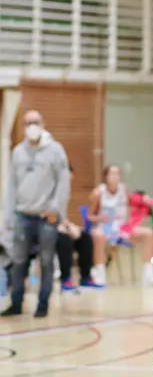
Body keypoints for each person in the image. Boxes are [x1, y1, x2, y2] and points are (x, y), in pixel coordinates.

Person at [1, 110, 70, 318]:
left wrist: (56, 210)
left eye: (35, 122)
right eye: (27, 122)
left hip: (46, 217)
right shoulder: (18, 152)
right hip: (23, 215)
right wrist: (8, 217)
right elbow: (11, 186)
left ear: (43, 123)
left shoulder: (55, 150)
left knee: (46, 262)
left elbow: (63, 183)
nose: (32, 125)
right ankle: (16, 303)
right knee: (18, 261)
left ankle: (42, 305)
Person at [87, 165, 153, 287]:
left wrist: (143, 199)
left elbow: (133, 201)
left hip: (122, 229)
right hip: (104, 228)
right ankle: (100, 273)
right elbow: (89, 216)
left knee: (148, 234)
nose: (115, 177)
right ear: (105, 176)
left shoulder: (123, 190)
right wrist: (99, 218)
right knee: (98, 236)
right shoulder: (98, 193)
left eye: (117, 174)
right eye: (112, 174)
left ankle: (148, 274)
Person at [55, 164, 94, 293]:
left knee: (84, 237)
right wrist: (64, 227)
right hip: (46, 229)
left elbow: (61, 217)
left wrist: (71, 226)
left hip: (60, 226)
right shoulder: (49, 192)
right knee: (65, 240)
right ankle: (65, 280)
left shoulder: (64, 195)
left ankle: (85, 278)